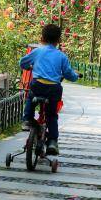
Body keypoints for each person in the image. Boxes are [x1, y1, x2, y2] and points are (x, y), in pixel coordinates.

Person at [19, 23, 80, 155]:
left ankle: (27, 119)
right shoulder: (61, 56)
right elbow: (69, 74)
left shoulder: (37, 51)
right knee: (52, 115)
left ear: (42, 38)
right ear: (58, 40)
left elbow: (22, 63)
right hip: (53, 89)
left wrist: (29, 67)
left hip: (38, 85)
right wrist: (76, 76)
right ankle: (52, 142)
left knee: (30, 97)